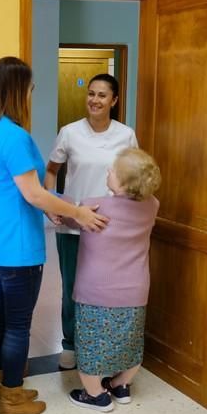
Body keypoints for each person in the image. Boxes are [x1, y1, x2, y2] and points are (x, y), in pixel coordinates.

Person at [0, 56, 108, 414]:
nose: (31, 95)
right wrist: (77, 211)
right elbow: (32, 193)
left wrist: (52, 207)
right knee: (17, 325)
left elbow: (15, 190)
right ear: (17, 91)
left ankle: (1, 384)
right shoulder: (15, 136)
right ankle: (12, 401)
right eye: (29, 89)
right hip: (17, 248)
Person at [44, 73, 138, 370]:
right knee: (74, 287)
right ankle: (71, 345)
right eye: (91, 94)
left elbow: (135, 176)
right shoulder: (69, 132)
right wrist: (51, 204)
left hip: (111, 227)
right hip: (73, 224)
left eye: (102, 95)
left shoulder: (126, 135)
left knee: (106, 290)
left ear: (114, 101)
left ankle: (106, 348)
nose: (94, 100)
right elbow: (51, 170)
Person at [66, 147, 161, 412]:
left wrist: (64, 206)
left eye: (113, 170)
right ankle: (121, 384)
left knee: (90, 343)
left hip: (96, 291)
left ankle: (96, 395)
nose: (108, 171)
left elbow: (71, 220)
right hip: (135, 291)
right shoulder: (153, 205)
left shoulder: (95, 205)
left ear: (124, 182)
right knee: (130, 341)